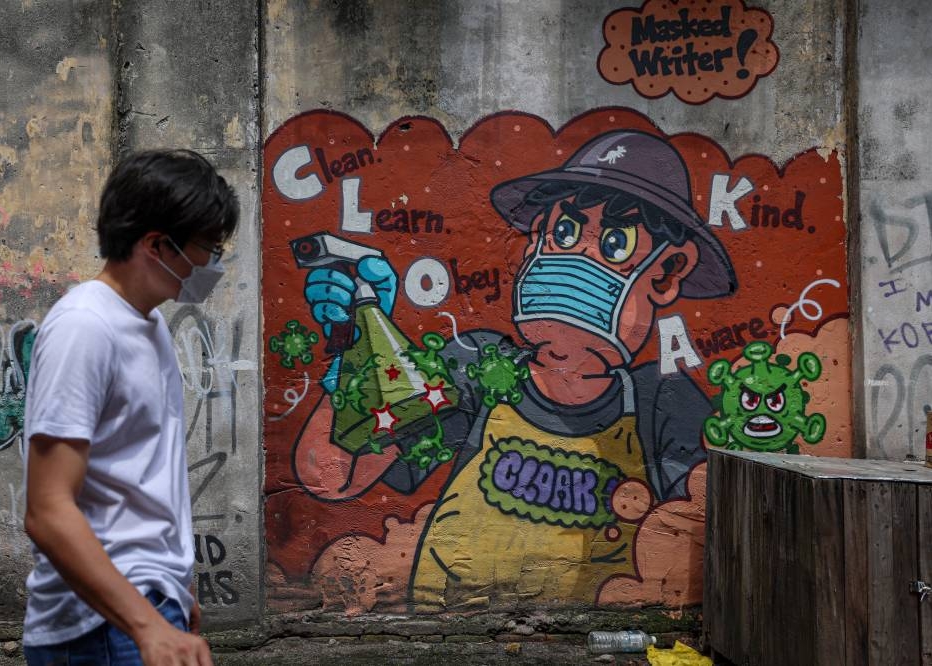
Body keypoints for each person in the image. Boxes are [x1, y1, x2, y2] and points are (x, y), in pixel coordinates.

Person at [295, 129, 736, 610]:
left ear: (667, 273)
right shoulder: (480, 367)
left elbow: (708, 546)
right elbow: (339, 477)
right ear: (531, 246)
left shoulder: (661, 403)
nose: (573, 258)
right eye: (563, 233)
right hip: (450, 636)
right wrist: (358, 350)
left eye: (613, 243)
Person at [21, 149, 238, 665]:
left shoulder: (148, 323)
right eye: (207, 246)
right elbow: (47, 511)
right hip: (100, 630)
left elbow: (138, 477)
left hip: (145, 605)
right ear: (157, 244)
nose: (212, 263)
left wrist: (175, 591)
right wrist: (145, 624)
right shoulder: (85, 328)